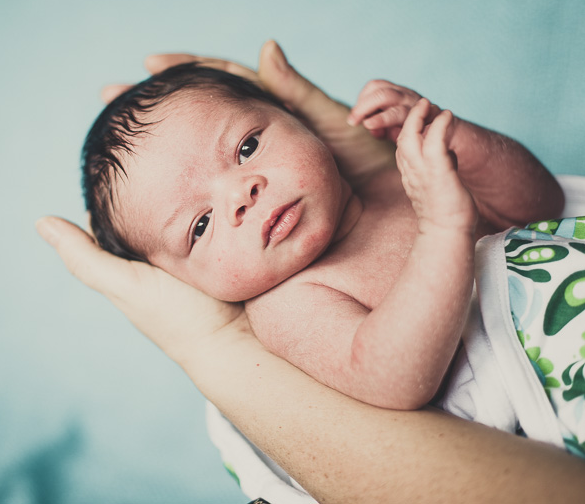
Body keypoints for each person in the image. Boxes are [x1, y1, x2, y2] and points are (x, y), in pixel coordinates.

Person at [36, 41, 585, 503]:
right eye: (200, 225)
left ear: (299, 120)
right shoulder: (290, 304)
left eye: (246, 147)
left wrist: (454, 137)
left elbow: (538, 203)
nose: (241, 196)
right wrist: (442, 227)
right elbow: (392, 379)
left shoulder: (398, 177)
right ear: (183, 282)